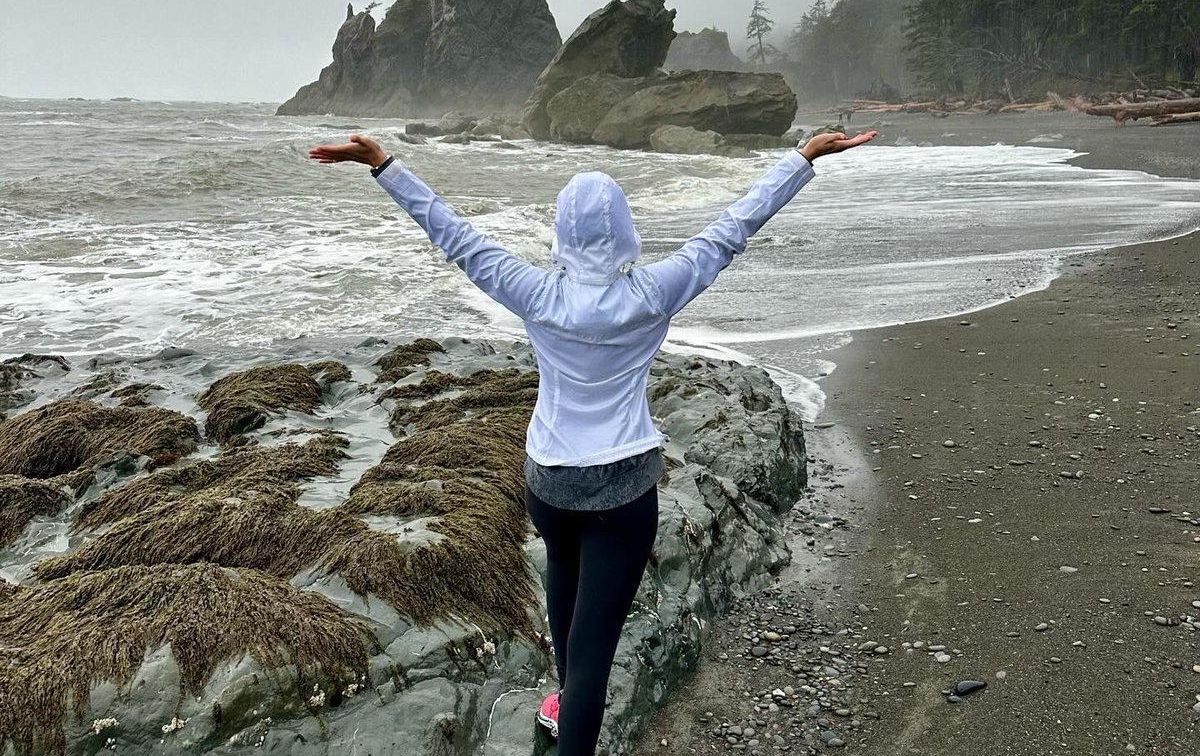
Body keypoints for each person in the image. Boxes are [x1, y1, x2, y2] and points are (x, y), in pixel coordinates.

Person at [308, 126, 876, 755]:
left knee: (566, 595)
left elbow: (454, 236)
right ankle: (573, 719)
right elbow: (734, 227)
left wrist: (383, 164)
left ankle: (564, 701)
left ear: (562, 231)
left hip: (549, 481)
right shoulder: (654, 292)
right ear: (626, 228)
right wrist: (801, 158)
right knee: (595, 652)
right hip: (624, 486)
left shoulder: (536, 292)